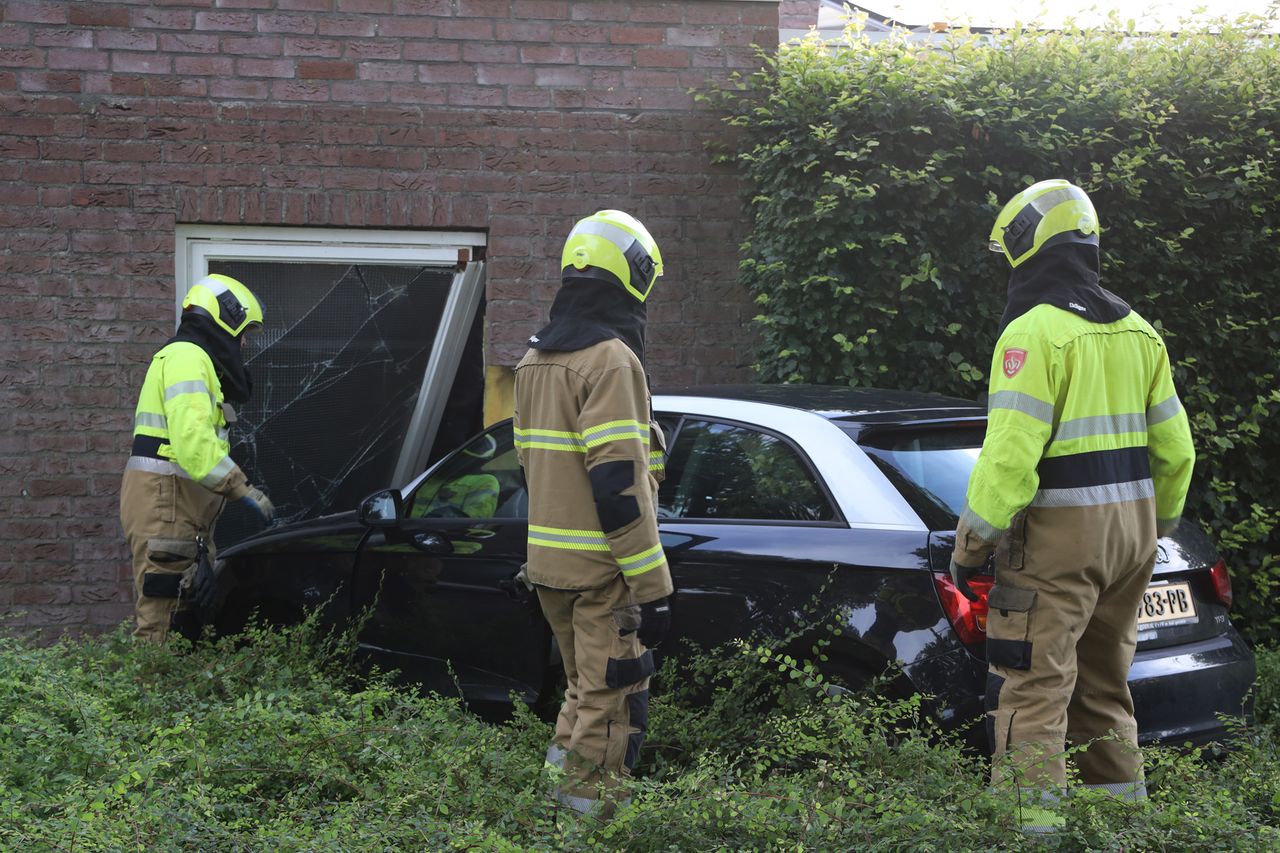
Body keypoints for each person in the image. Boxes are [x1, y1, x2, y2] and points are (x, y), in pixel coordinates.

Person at [949, 180, 1196, 830]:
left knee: (1030, 694)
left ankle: (1030, 834)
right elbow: (1178, 454)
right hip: (1132, 545)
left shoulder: (1032, 333)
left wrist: (969, 544)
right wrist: (1154, 526)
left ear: (1029, 247)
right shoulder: (1141, 332)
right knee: (1106, 691)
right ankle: (1122, 833)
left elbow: (1008, 461)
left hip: (1056, 550)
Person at [513, 209, 673, 819]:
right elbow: (618, 486)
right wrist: (653, 588)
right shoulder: (610, 360)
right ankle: (588, 826)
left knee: (583, 692)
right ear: (631, 277)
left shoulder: (535, 360)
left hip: (551, 565)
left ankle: (551, 810)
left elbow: (532, 464)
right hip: (605, 572)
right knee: (613, 706)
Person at [120, 274, 275, 643]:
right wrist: (243, 490)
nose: (245, 343)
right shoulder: (188, 358)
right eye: (244, 332)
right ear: (225, 320)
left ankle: (175, 696)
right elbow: (193, 444)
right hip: (167, 507)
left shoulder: (197, 361)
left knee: (187, 615)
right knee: (164, 622)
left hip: (178, 509)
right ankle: (153, 697)